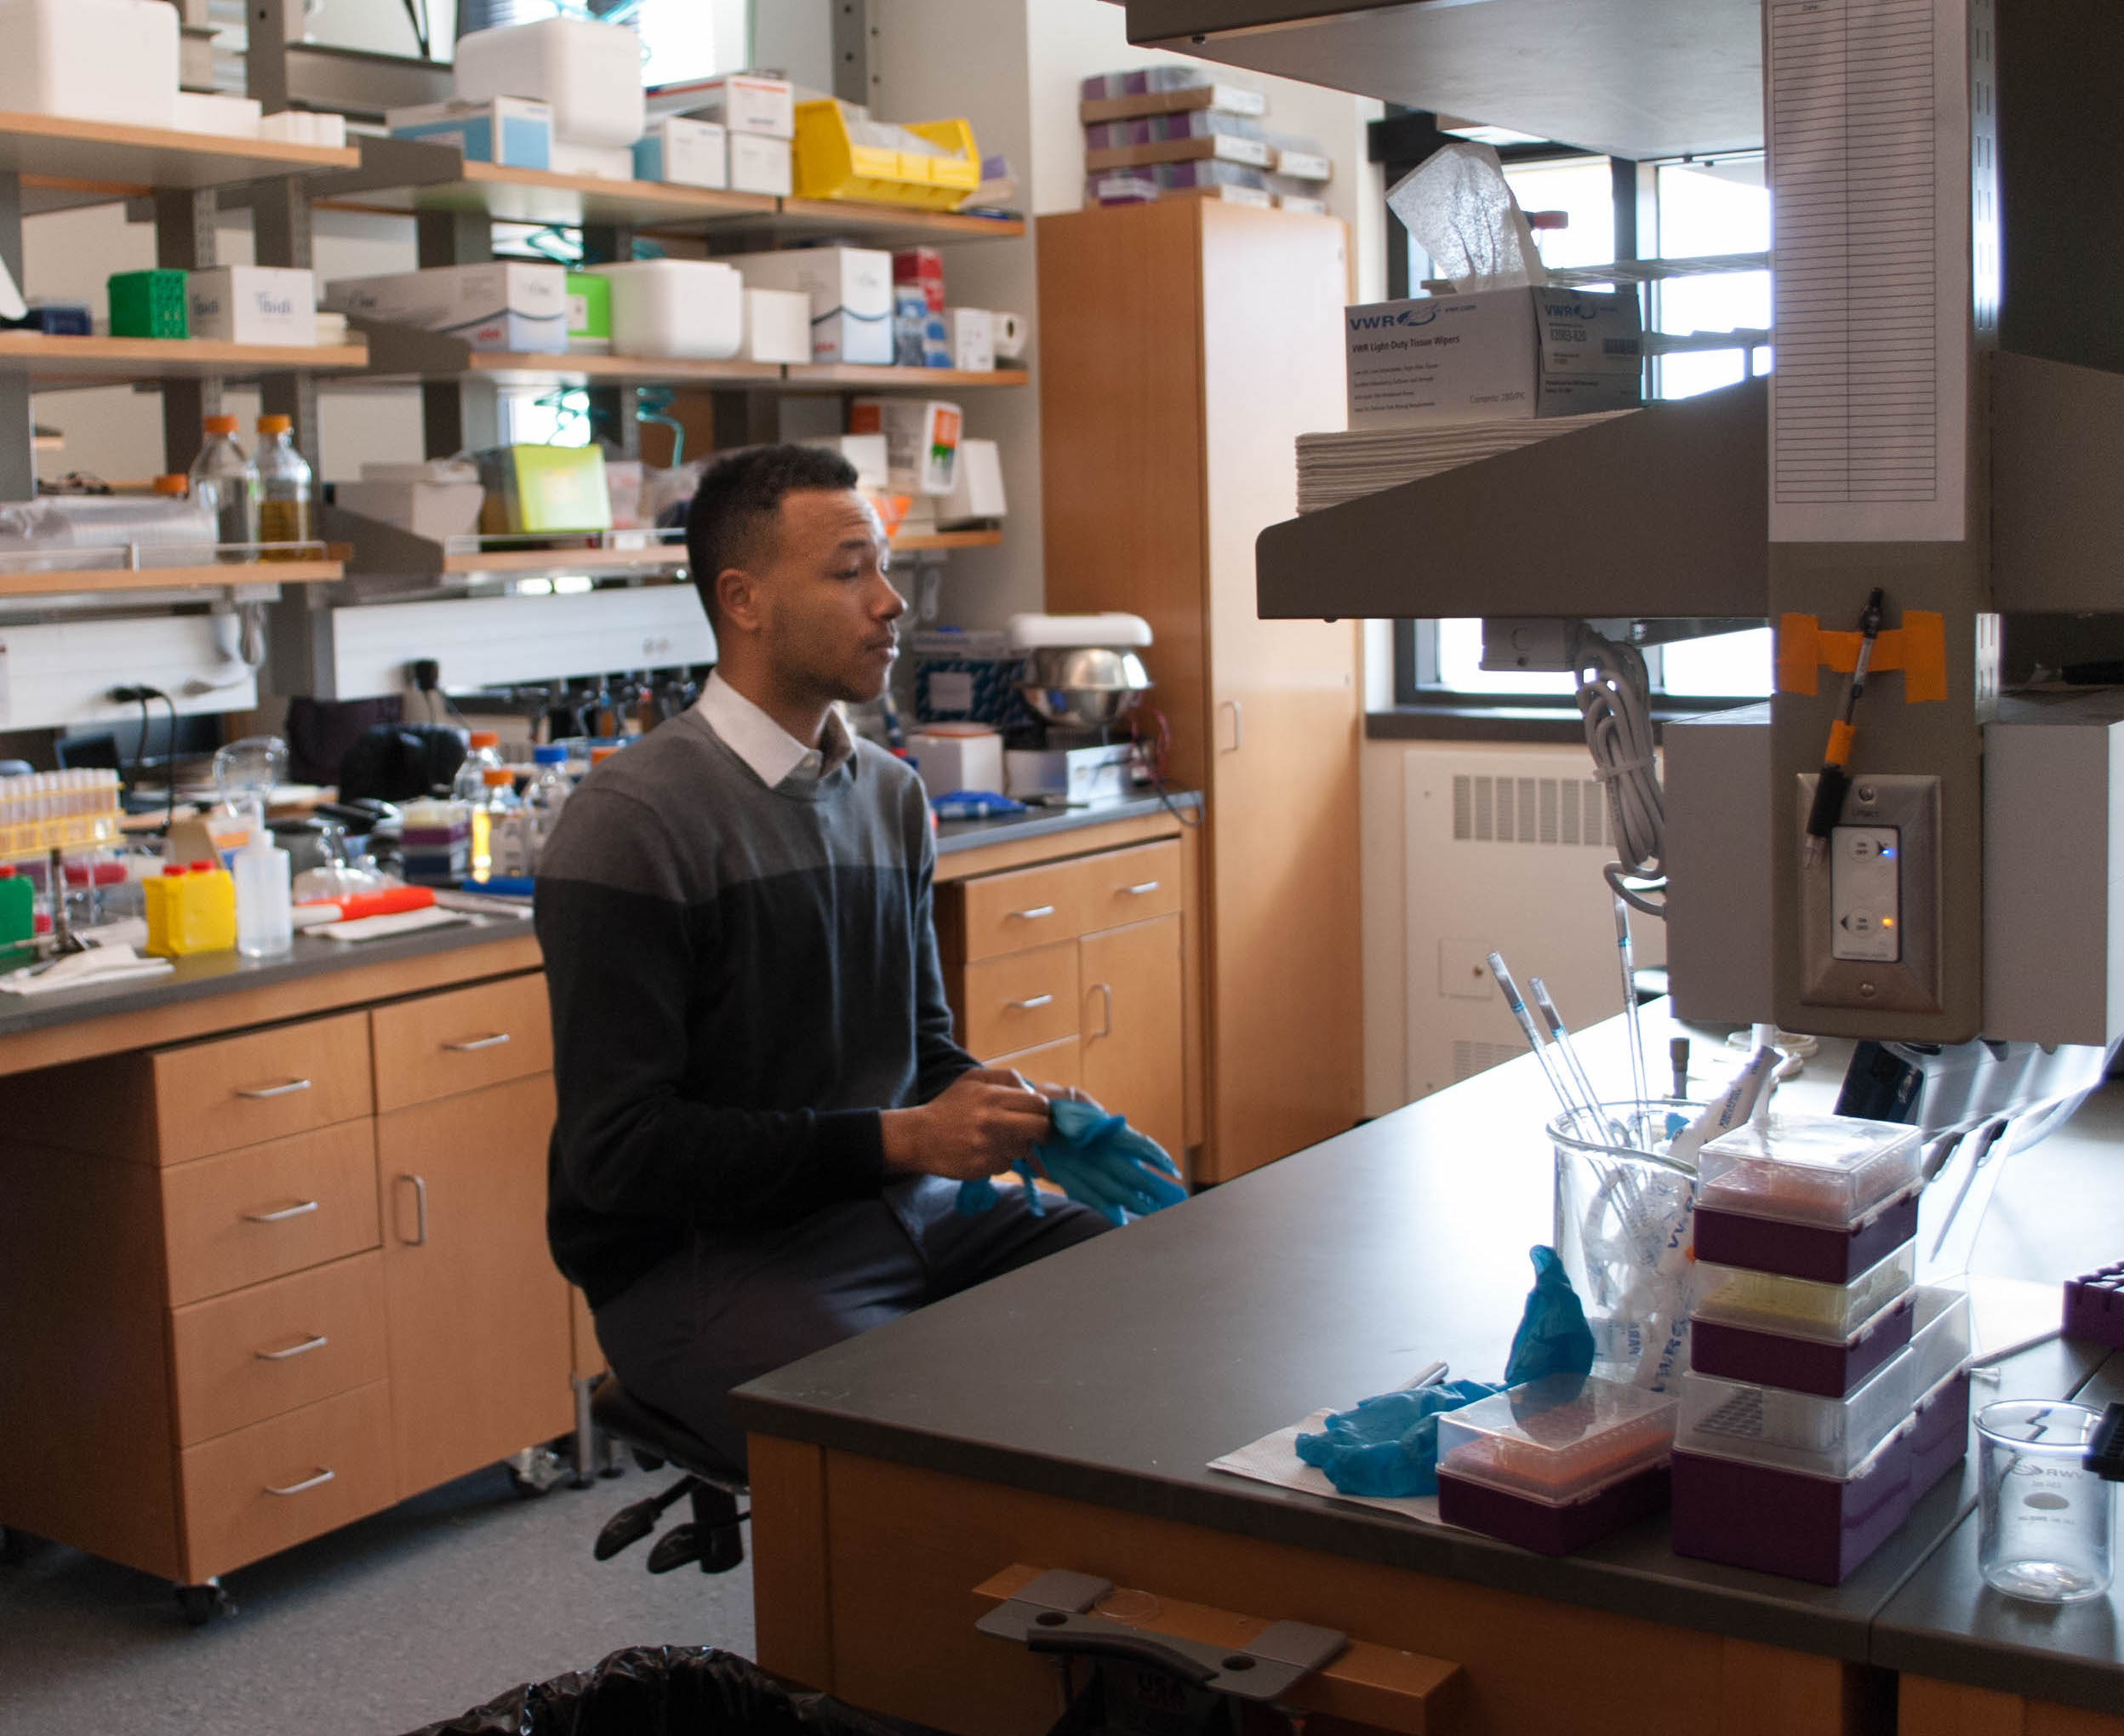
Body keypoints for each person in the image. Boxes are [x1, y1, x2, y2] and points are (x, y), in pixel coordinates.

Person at [534, 444, 1107, 1470]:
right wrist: (901, 1142)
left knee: (1152, 1292)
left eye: (882, 569)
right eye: (850, 572)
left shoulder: (888, 793)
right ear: (743, 601)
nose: (889, 603)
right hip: (707, 1263)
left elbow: (916, 1046)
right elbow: (621, 1154)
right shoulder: (635, 821)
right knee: (905, 1446)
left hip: (904, 1214)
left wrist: (1002, 1111)